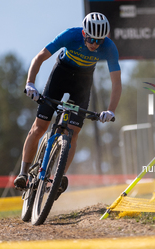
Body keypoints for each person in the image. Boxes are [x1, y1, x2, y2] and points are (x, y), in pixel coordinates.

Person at [14, 12, 122, 189]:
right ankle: (23, 173)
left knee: (72, 133)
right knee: (40, 127)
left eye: (99, 41)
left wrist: (111, 110)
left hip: (83, 82)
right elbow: (40, 56)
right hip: (61, 75)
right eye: (92, 39)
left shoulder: (109, 47)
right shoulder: (70, 35)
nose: (95, 44)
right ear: (84, 34)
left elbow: (116, 82)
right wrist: (30, 83)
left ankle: (58, 178)